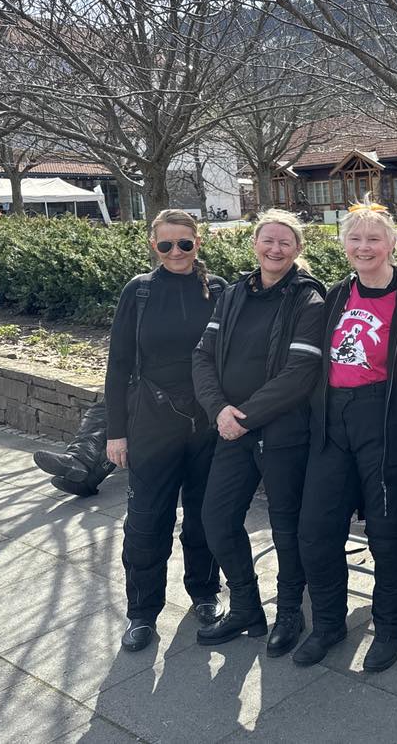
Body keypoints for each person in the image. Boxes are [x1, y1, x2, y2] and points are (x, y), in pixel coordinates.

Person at [295, 200, 397, 669]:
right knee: (316, 530)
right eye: (355, 238)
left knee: (387, 532)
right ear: (344, 245)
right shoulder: (337, 293)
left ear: (392, 243)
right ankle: (328, 624)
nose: (364, 246)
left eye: (374, 238)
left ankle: (390, 627)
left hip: (386, 420)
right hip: (334, 419)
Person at [192, 209, 326, 657]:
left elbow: (300, 373)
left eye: (285, 242)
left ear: (298, 249)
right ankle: (247, 606)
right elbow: (202, 357)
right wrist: (219, 410)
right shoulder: (232, 295)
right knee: (216, 518)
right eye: (268, 240)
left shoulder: (308, 299)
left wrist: (244, 416)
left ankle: (289, 611)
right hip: (232, 429)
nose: (275, 249)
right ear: (255, 244)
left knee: (286, 527)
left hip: (282, 433)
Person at [99, 209, 228, 651]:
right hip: (152, 422)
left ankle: (205, 593)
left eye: (185, 243)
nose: (176, 252)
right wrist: (115, 432)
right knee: (147, 522)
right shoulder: (139, 291)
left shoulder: (218, 290)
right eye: (166, 244)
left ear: (198, 244)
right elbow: (118, 365)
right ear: (154, 246)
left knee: (204, 516)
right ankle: (142, 612)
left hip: (207, 422)